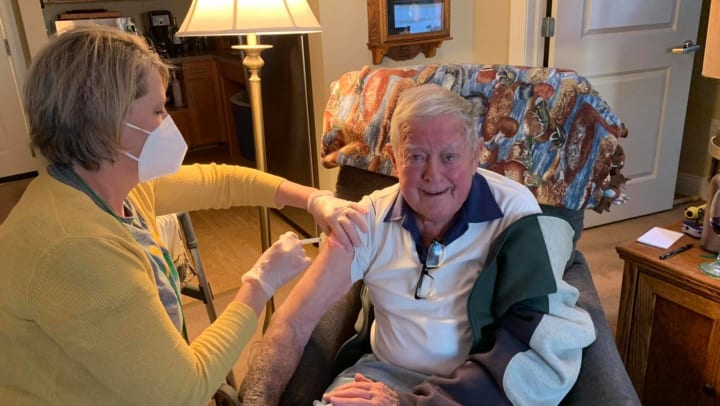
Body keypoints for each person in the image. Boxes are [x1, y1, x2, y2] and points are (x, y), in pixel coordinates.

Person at [0, 26, 366, 405]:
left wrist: (314, 199)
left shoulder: (112, 185)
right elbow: (182, 390)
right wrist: (260, 282)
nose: (168, 123)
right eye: (158, 110)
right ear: (105, 122)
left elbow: (221, 181)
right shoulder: (74, 247)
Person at [241, 83, 596, 405]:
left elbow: (531, 345)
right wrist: (256, 402)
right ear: (394, 160)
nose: (432, 175)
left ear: (477, 156)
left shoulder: (517, 216)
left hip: (472, 388)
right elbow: (292, 323)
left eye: (450, 157)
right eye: (416, 156)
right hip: (380, 375)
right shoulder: (366, 221)